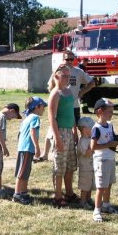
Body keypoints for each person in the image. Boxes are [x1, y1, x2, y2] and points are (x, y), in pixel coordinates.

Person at [47, 64, 78, 208]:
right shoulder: (55, 93)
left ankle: (69, 193)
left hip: (70, 132)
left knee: (70, 166)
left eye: (69, 76)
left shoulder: (69, 92)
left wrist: (75, 130)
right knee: (59, 167)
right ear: (57, 76)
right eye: (64, 75)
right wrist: (57, 138)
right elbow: (51, 117)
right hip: (60, 132)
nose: (67, 78)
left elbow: (72, 113)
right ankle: (58, 197)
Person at [91, 98, 118, 222]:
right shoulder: (96, 128)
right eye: (109, 111)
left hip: (110, 159)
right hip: (101, 161)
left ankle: (106, 205)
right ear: (100, 112)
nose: (112, 114)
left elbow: (113, 138)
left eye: (112, 111)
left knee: (109, 184)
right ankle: (97, 210)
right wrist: (109, 144)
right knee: (101, 187)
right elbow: (93, 147)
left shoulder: (110, 125)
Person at [13, 96, 46, 205]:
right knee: (22, 172)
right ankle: (17, 194)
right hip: (28, 148)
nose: (44, 109)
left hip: (23, 147)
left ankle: (23, 192)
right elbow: (32, 131)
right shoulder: (35, 118)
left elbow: (20, 134)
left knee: (25, 171)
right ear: (37, 107)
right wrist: (37, 147)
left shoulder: (26, 118)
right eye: (43, 107)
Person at [0, 103, 21, 198]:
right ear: (12, 111)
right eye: (14, 116)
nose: (12, 118)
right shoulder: (1, 117)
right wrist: (4, 147)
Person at [76, 116, 96, 209]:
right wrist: (93, 145)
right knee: (85, 185)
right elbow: (87, 154)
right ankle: (83, 201)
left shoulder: (90, 139)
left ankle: (88, 198)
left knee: (90, 184)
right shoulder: (83, 141)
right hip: (85, 168)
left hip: (92, 167)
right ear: (84, 129)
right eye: (92, 128)